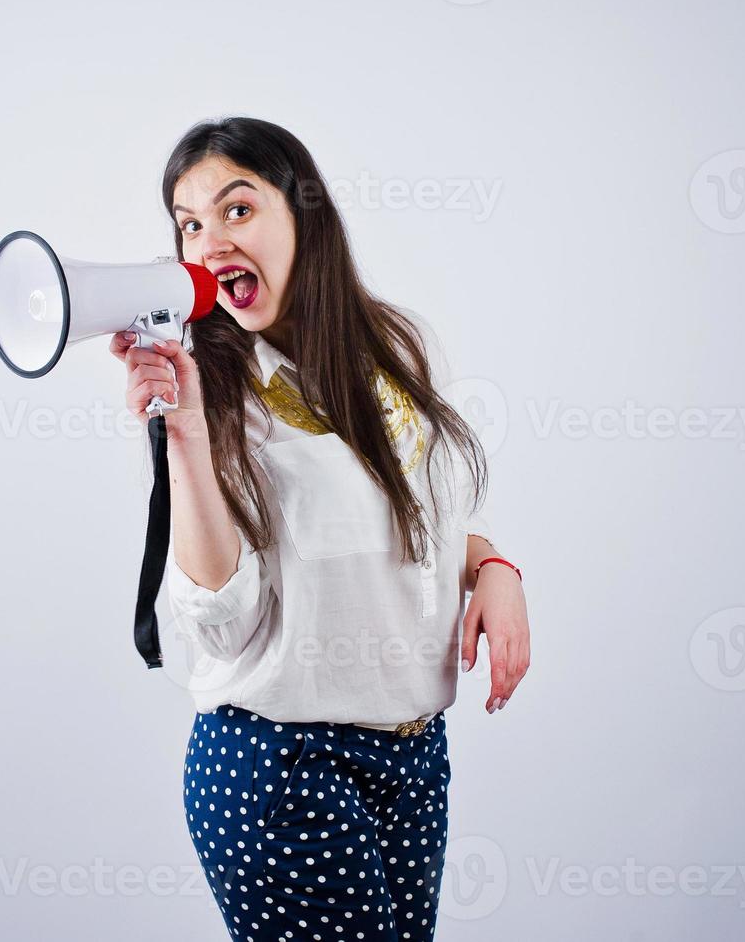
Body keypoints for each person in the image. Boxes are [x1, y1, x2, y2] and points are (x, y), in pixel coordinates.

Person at [109, 116, 530, 941]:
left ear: (304, 214)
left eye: (236, 210)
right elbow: (222, 625)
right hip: (279, 765)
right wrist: (188, 434)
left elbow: (420, 525)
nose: (210, 240)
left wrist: (493, 567)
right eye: (189, 224)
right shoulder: (212, 389)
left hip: (412, 758)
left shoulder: (393, 349)